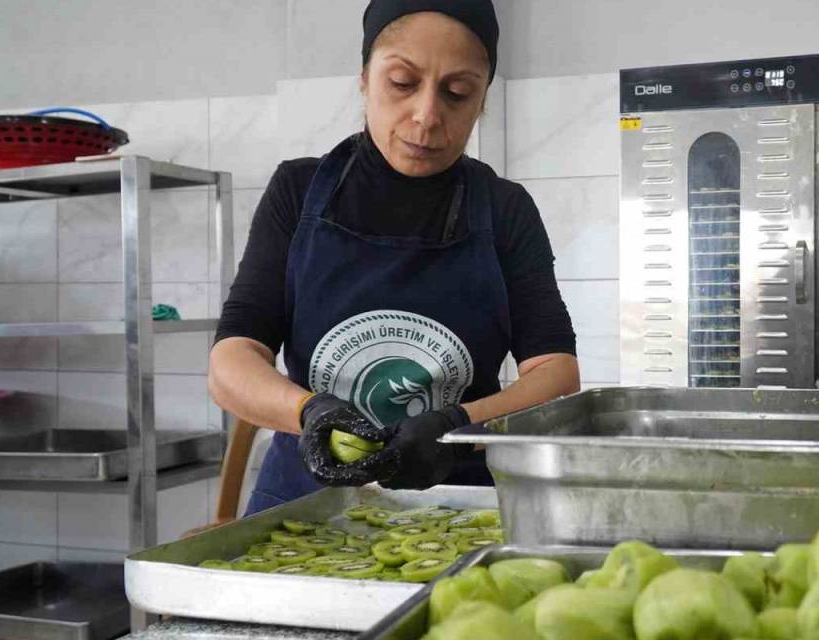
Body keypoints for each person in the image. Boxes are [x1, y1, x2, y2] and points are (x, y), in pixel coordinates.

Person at [208, 0, 579, 515]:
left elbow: (556, 374)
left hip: (459, 499)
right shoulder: (297, 190)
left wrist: (458, 427)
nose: (427, 116)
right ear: (364, 78)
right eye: (402, 83)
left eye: (458, 93)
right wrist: (309, 412)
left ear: (482, 100)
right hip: (306, 501)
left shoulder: (505, 208)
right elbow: (231, 361)